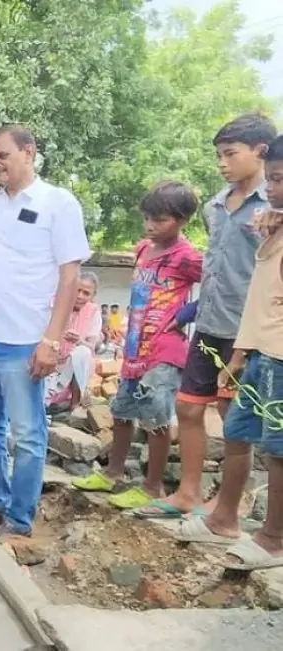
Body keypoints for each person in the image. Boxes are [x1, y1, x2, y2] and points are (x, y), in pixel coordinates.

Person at [0, 124, 91, 537]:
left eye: (3, 155)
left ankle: (20, 520)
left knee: (27, 433)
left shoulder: (57, 203)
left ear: (29, 152)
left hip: (24, 339)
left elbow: (69, 276)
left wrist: (51, 339)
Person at [148, 113, 278, 518]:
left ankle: (230, 503)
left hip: (245, 329)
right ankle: (188, 493)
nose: (222, 163)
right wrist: (191, 309)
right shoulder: (216, 206)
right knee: (188, 408)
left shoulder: (271, 207)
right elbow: (214, 264)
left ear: (260, 153)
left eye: (230, 154)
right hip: (208, 322)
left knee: (232, 415)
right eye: (218, 155)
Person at [176, 136, 283, 569]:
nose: (271, 189)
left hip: (279, 351)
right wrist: (238, 354)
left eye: (277, 180)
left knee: (278, 448)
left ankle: (274, 536)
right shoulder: (271, 223)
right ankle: (224, 517)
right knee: (237, 429)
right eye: (272, 179)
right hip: (255, 346)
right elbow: (258, 295)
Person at [73, 182, 204, 510]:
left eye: (159, 220)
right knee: (121, 411)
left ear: (182, 220)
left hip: (165, 348)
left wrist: (188, 313)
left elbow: (219, 283)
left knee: (155, 418)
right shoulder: (145, 249)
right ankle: (113, 473)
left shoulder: (187, 257)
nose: (150, 226)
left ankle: (152, 486)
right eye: (147, 218)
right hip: (134, 346)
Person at [44, 272, 103, 411]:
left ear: (93, 296)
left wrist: (79, 341)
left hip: (72, 369)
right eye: (77, 290)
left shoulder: (93, 312)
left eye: (86, 293)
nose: (80, 296)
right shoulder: (55, 304)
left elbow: (92, 347)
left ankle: (75, 403)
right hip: (48, 364)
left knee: (82, 352)